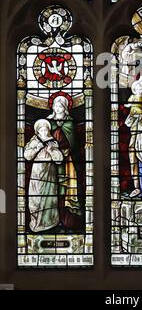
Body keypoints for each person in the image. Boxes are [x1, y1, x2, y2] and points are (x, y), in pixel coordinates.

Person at [48, 94, 81, 229]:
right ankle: (52, 218)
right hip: (51, 161)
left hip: (68, 161)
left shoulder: (70, 123)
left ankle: (67, 219)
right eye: (56, 105)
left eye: (61, 105)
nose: (58, 108)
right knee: (54, 188)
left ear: (65, 107)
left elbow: (74, 143)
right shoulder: (48, 123)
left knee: (66, 189)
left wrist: (65, 150)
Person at [24, 119, 63, 233]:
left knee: (49, 198)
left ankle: (49, 222)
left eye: (46, 129)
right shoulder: (34, 141)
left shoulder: (53, 142)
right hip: (37, 171)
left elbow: (59, 159)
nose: (44, 131)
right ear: (37, 131)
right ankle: (35, 222)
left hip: (49, 172)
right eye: (41, 129)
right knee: (35, 198)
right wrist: (38, 147)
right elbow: (27, 156)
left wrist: (52, 151)